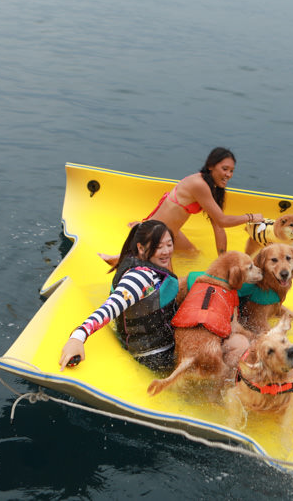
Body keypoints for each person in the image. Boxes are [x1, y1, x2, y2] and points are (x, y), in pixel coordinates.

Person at [59, 220, 180, 373]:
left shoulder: (141, 261)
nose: (166, 251)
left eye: (169, 245)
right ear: (140, 248)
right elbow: (109, 308)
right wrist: (77, 337)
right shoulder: (140, 279)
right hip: (155, 356)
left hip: (161, 343)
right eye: (158, 247)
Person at [143, 147, 262, 254]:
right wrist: (250, 217)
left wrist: (222, 259)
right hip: (154, 235)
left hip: (170, 233)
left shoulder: (212, 187)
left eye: (231, 171)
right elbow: (223, 221)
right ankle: (141, 230)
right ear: (210, 166)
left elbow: (218, 226)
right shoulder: (199, 184)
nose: (228, 174)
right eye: (225, 169)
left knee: (192, 254)